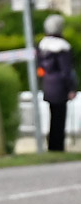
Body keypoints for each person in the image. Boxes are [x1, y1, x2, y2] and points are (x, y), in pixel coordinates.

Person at [37, 14, 77, 152]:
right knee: (59, 118)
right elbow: (66, 71)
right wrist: (71, 88)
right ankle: (58, 147)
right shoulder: (62, 47)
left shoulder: (42, 45)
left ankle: (51, 146)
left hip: (48, 84)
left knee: (53, 117)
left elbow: (40, 68)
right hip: (60, 86)